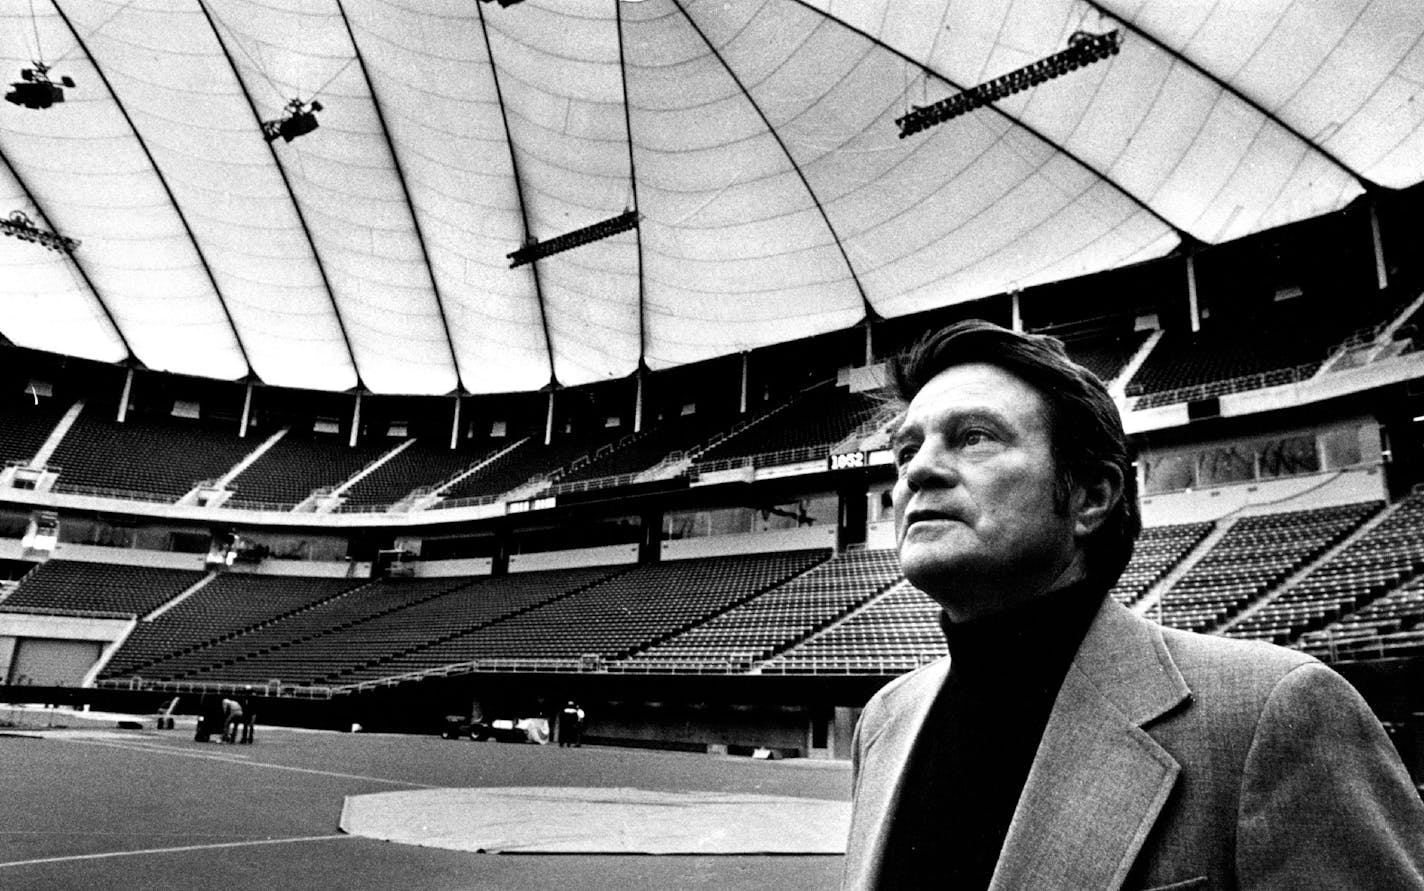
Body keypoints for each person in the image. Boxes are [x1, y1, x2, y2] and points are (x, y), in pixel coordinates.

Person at [842, 319, 1424, 890]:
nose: (917, 470)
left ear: (1092, 496)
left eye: (975, 437)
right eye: (907, 450)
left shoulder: (1275, 712)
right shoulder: (883, 720)